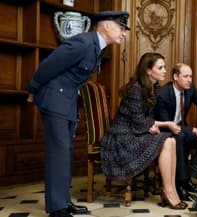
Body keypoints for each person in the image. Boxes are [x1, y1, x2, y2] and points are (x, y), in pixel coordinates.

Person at [26, 11, 129, 217]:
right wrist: (32, 90)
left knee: (65, 154)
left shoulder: (97, 46)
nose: (124, 33)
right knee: (59, 153)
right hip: (55, 100)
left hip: (67, 102)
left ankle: (63, 202)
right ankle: (57, 209)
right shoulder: (83, 43)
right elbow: (49, 65)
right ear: (106, 26)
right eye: (121, 28)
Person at [100, 52, 187, 210]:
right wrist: (160, 125)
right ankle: (168, 191)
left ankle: (171, 189)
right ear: (148, 70)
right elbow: (139, 121)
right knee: (167, 141)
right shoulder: (136, 89)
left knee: (172, 140)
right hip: (121, 138)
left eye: (164, 67)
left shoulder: (152, 87)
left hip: (134, 131)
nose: (164, 71)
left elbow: (146, 118)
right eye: (160, 67)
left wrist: (154, 125)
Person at [155, 63, 197, 200]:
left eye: (191, 76)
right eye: (186, 76)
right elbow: (167, 125)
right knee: (180, 138)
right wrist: (193, 129)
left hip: (182, 130)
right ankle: (180, 184)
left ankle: (188, 178)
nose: (189, 79)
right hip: (165, 132)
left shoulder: (190, 90)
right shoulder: (163, 94)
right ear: (175, 77)